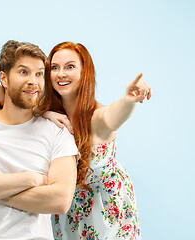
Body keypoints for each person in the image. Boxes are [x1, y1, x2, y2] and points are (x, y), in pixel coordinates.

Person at [0, 40, 78, 240]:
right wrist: (31, 179)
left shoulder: (58, 131)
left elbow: (60, 199)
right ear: (4, 78)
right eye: (23, 72)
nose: (33, 81)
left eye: (39, 74)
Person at [39, 42, 151, 239]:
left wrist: (128, 99)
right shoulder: (49, 115)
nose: (61, 74)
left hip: (106, 213)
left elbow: (113, 116)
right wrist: (45, 113)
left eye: (70, 66)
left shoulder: (97, 117)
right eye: (54, 67)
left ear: (85, 72)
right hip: (67, 213)